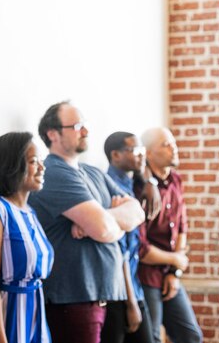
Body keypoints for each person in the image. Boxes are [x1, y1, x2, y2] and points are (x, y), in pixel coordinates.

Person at [28, 101, 145, 343]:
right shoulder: (54, 172)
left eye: (86, 125)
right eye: (77, 126)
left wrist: (100, 219)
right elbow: (102, 229)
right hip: (74, 298)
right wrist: (107, 222)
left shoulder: (93, 172)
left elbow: (137, 212)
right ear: (53, 134)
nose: (86, 131)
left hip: (109, 293)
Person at [0, 132, 55, 343]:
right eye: (33, 161)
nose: (42, 167)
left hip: (36, 315)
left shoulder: (30, 211)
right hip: (10, 316)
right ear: (11, 166)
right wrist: (1, 339)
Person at [139, 127, 203, 343]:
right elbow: (141, 248)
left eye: (173, 143)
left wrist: (174, 271)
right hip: (146, 276)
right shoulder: (140, 188)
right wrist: (175, 259)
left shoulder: (175, 180)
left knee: (191, 336)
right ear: (148, 153)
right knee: (153, 337)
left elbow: (182, 226)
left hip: (169, 274)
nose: (173, 148)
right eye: (165, 144)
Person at [104, 131, 160, 343]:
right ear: (116, 155)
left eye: (142, 150)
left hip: (134, 288)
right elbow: (120, 252)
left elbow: (145, 170)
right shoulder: (112, 189)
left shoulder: (132, 182)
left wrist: (150, 182)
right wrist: (131, 303)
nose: (141, 156)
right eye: (135, 151)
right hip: (120, 293)